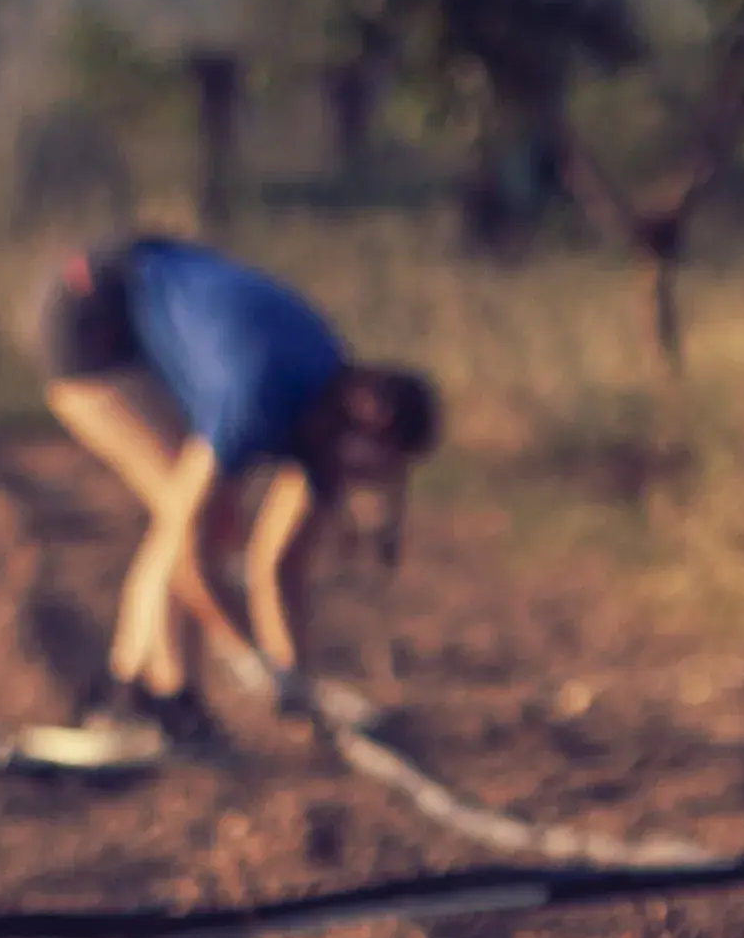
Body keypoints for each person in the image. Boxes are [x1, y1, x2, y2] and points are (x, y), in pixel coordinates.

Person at [32, 235, 439, 736]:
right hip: (91, 313)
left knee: (201, 515)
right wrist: (245, 654)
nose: (365, 483)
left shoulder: (327, 424)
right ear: (365, 420)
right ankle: (157, 696)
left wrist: (292, 683)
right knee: (198, 517)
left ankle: (136, 694)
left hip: (145, 300)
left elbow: (279, 564)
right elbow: (190, 546)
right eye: (372, 467)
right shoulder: (259, 393)